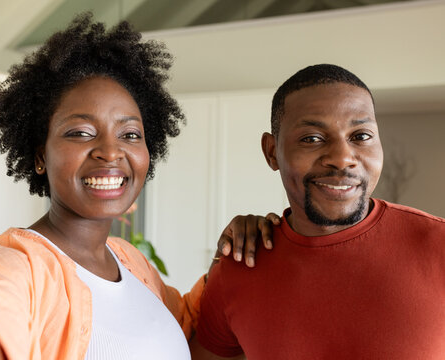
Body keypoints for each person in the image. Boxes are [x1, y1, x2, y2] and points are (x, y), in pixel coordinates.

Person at [0, 13, 277, 360]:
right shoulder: (14, 266)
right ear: (40, 156)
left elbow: (194, 331)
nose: (111, 152)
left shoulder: (128, 261)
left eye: (130, 134)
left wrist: (225, 258)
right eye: (81, 132)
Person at [191, 64, 445, 359]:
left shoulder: (438, 246)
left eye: (361, 136)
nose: (341, 159)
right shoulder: (239, 265)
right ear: (272, 152)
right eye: (312, 138)